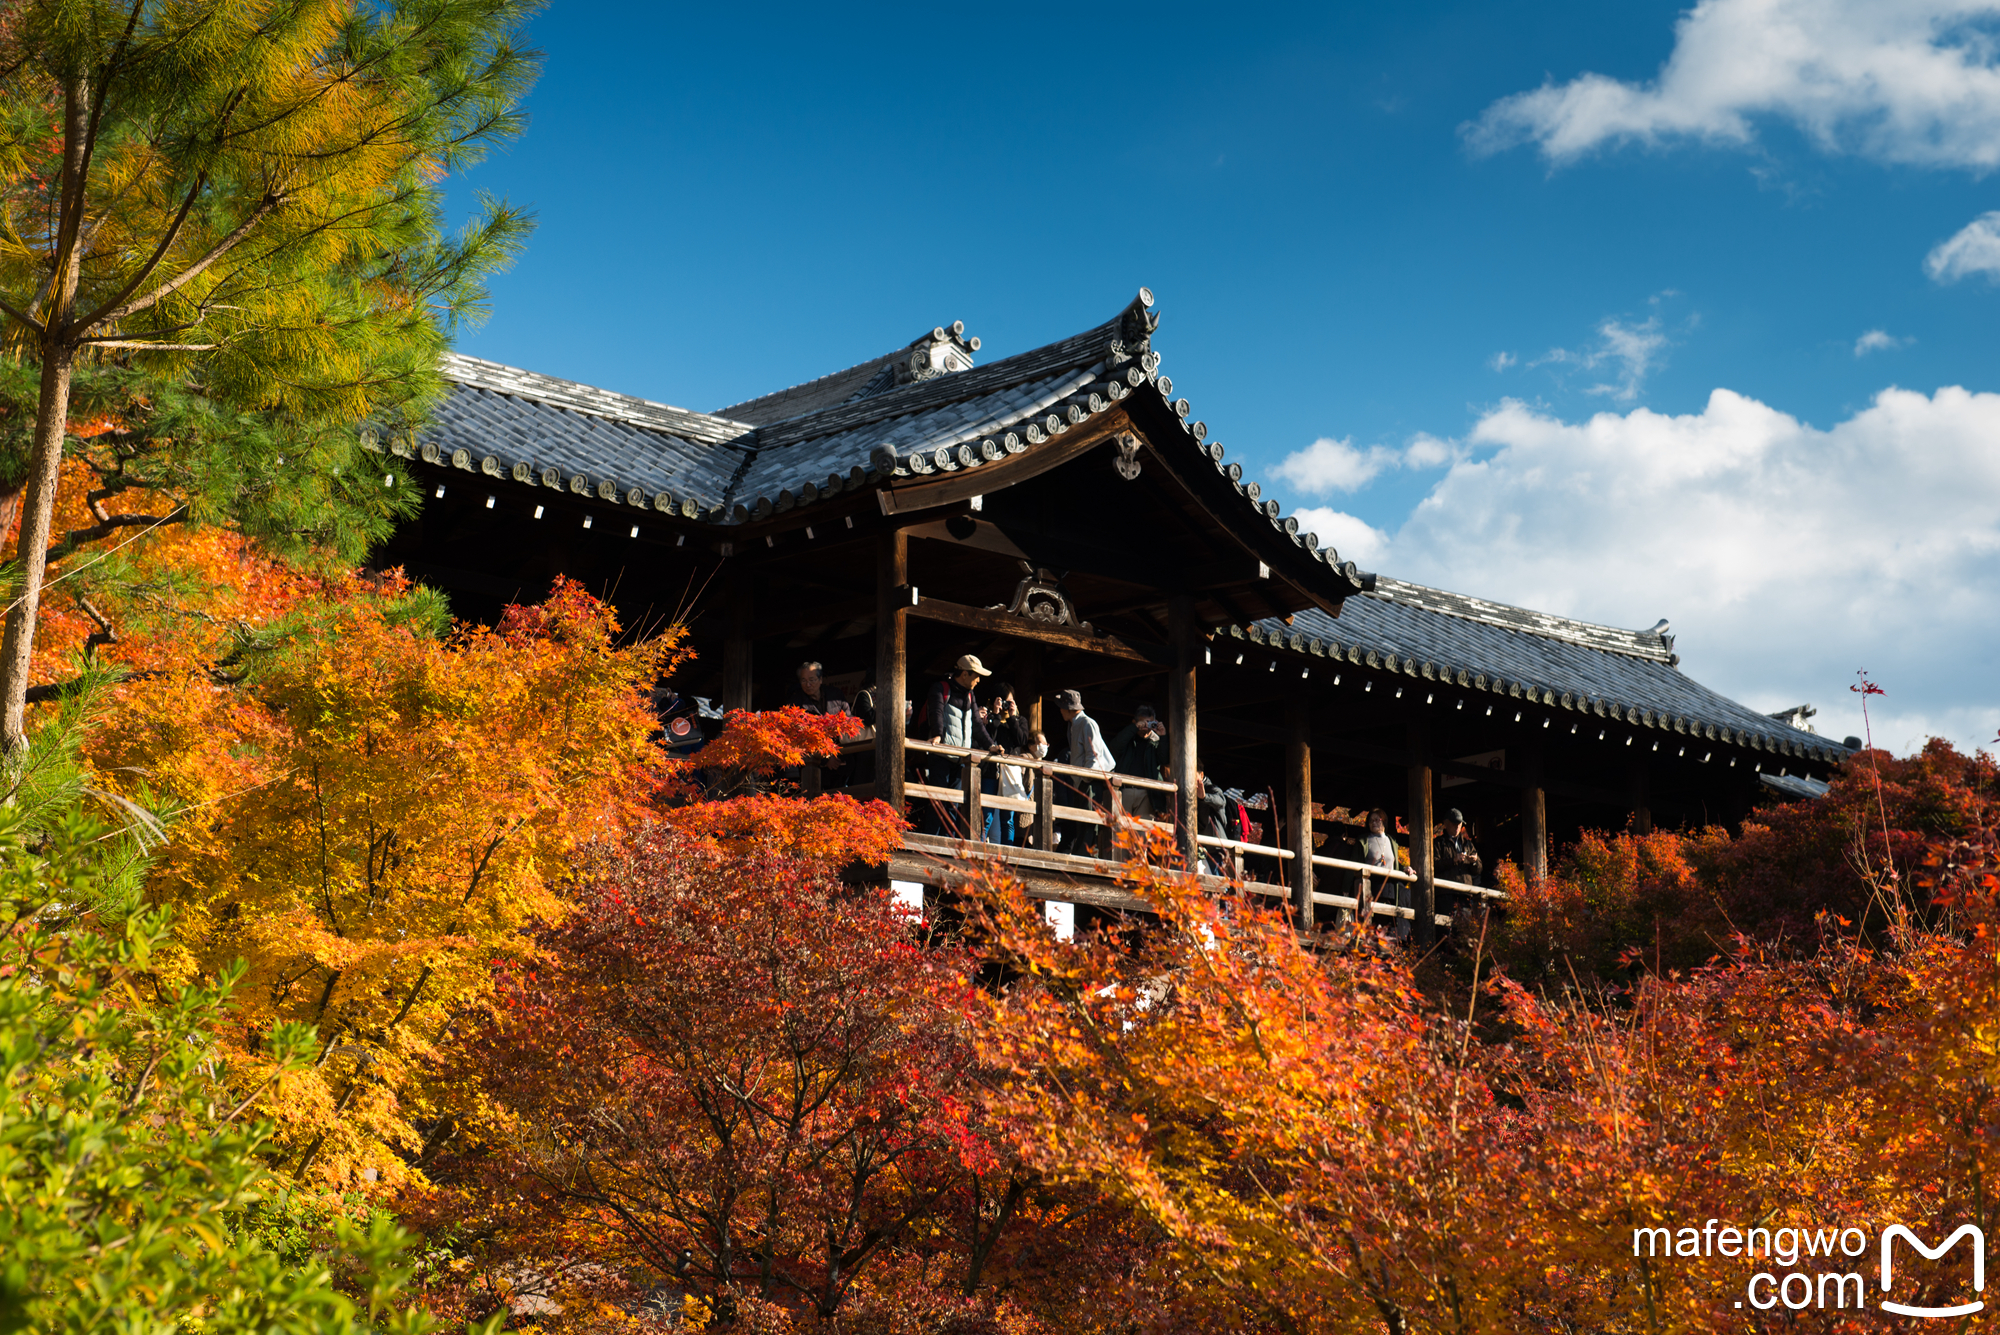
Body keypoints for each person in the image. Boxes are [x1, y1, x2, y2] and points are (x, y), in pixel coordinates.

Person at [915, 654, 1003, 835]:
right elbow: (936, 712)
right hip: (941, 756)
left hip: (960, 759)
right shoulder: (940, 688)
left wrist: (991, 746)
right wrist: (938, 736)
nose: (979, 680)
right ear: (964, 674)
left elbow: (977, 725)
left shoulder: (970, 695)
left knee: (953, 806)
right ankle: (932, 843)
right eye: (976, 676)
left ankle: (950, 847)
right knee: (938, 803)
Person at [1055, 689, 1116, 858]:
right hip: (1081, 782)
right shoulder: (1075, 724)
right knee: (1081, 824)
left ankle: (1086, 859)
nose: (1060, 710)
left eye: (1062, 706)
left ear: (1068, 708)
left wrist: (1084, 780)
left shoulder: (1087, 723)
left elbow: (1094, 756)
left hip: (1089, 783)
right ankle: (1083, 857)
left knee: (1089, 825)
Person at [1109, 704, 1168, 821]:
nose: (1146, 727)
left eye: (1150, 723)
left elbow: (1164, 760)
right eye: (1143, 723)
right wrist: (1134, 728)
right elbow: (1115, 748)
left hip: (1147, 794)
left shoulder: (1156, 741)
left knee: (1142, 834)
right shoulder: (1128, 739)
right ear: (1134, 722)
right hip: (1125, 790)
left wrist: (1163, 737)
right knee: (1121, 831)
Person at [1360, 808, 1401, 935]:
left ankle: (1388, 946)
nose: (1374, 823)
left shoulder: (1391, 841)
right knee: (1374, 920)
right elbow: (1355, 862)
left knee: (1388, 921)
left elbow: (1395, 863)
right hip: (1372, 885)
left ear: (1384, 821)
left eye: (1377, 819)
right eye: (1371, 821)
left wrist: (1405, 868)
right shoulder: (1364, 841)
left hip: (1389, 886)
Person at [1435, 808, 1482, 919]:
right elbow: (1433, 865)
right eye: (1453, 823)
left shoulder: (1468, 844)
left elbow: (1479, 869)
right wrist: (1453, 860)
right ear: (1446, 824)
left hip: (1465, 894)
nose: (1457, 827)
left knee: (1464, 930)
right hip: (1445, 893)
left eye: (1459, 824)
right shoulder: (1438, 843)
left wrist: (1474, 862)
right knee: (1446, 928)